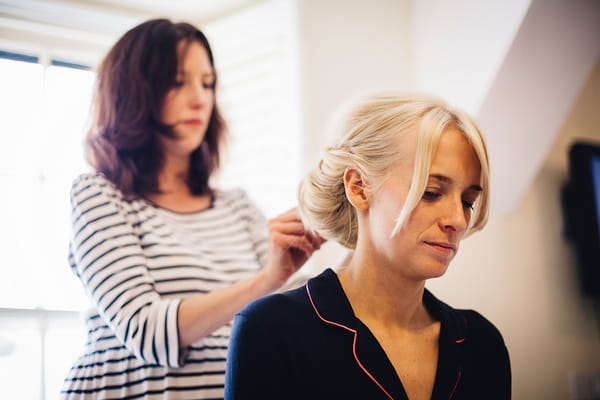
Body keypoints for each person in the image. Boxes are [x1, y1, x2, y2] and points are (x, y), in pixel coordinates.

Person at [60, 18, 322, 399]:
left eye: (207, 83)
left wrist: (366, 239)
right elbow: (147, 331)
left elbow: (300, 305)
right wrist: (266, 280)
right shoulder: (99, 195)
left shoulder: (237, 205)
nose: (200, 98)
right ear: (133, 91)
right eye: (178, 82)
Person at [225, 94, 512, 399]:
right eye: (430, 193)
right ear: (358, 187)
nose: (457, 219)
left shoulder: (481, 344)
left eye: (467, 201)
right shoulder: (272, 330)